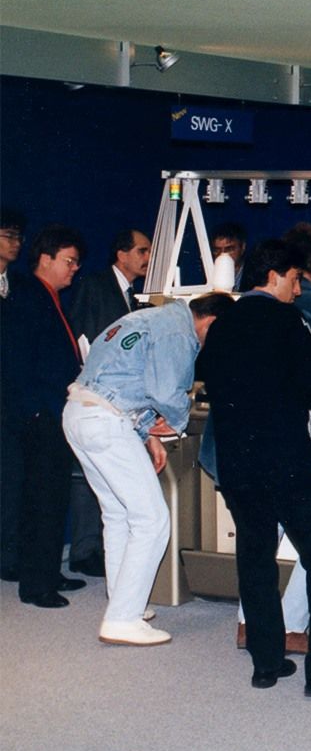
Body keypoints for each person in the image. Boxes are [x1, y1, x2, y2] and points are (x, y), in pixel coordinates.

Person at [197, 240, 311, 696]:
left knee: (255, 559)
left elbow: (210, 380)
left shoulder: (222, 323)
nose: (298, 290)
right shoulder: (290, 321)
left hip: (237, 465)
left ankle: (266, 662)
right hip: (289, 463)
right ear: (274, 275)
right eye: (296, 280)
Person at [62, 293, 233, 645]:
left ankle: (125, 603)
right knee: (152, 520)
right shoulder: (179, 333)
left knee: (118, 515)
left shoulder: (145, 319)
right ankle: (122, 619)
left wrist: (146, 435)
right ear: (212, 322)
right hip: (107, 422)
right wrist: (177, 423)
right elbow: (167, 392)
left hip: (80, 413)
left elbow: (125, 380)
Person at [225, 222, 311, 654]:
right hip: (292, 449)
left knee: (259, 543)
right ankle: (296, 629)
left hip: (240, 454)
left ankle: (253, 631)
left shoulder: (233, 312)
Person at [7, 224, 88, 607]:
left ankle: (48, 572)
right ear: (45, 259)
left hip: (52, 411)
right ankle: (36, 584)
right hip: (40, 415)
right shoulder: (28, 297)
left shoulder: (47, 297)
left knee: (53, 496)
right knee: (42, 499)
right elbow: (18, 361)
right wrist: (37, 409)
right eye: (69, 261)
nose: (75, 269)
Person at [65, 227, 153, 578]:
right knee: (88, 477)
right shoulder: (95, 286)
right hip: (95, 396)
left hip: (120, 398)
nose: (148, 257)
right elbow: (81, 338)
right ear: (121, 254)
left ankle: (102, 548)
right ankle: (84, 549)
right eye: (142, 251)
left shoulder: (134, 295)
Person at [0, 209, 27, 581]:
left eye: (19, 236)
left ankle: (7, 556)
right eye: (8, 235)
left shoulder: (19, 286)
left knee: (11, 480)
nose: (16, 243)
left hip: (12, 400)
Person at [211, 221, 248, 291]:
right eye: (217, 250)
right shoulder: (208, 276)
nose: (222, 254)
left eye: (229, 249)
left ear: (242, 247)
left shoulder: (254, 276)